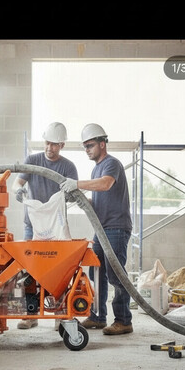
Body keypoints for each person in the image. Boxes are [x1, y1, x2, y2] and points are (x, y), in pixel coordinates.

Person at [60, 123, 133, 335]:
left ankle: (124, 320)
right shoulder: (96, 168)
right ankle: (98, 317)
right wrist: (79, 198)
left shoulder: (111, 164)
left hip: (116, 228)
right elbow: (99, 198)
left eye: (90, 145)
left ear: (102, 144)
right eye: (85, 146)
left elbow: (105, 184)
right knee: (96, 271)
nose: (87, 150)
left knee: (116, 275)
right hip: (102, 229)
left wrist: (77, 184)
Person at [12, 121, 78, 329]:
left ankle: (59, 314)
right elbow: (18, 182)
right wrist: (17, 190)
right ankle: (30, 315)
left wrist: (69, 195)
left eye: (55, 144)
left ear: (62, 145)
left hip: (56, 227)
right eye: (48, 143)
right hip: (32, 225)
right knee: (31, 270)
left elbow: (74, 193)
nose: (50, 148)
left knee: (59, 270)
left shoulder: (68, 167)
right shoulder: (32, 160)